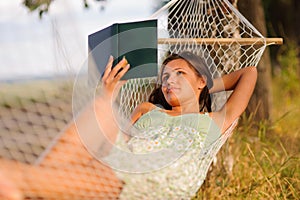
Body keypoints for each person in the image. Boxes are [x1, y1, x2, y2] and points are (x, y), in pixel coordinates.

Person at [0, 51, 257, 199]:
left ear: (202, 81)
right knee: (102, 107)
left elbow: (250, 73)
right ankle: (30, 186)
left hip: (156, 182)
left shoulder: (213, 121)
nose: (169, 81)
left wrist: (201, 88)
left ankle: (25, 184)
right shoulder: (147, 109)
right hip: (123, 162)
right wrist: (108, 94)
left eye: (180, 73)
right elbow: (114, 140)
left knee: (17, 180)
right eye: (165, 77)